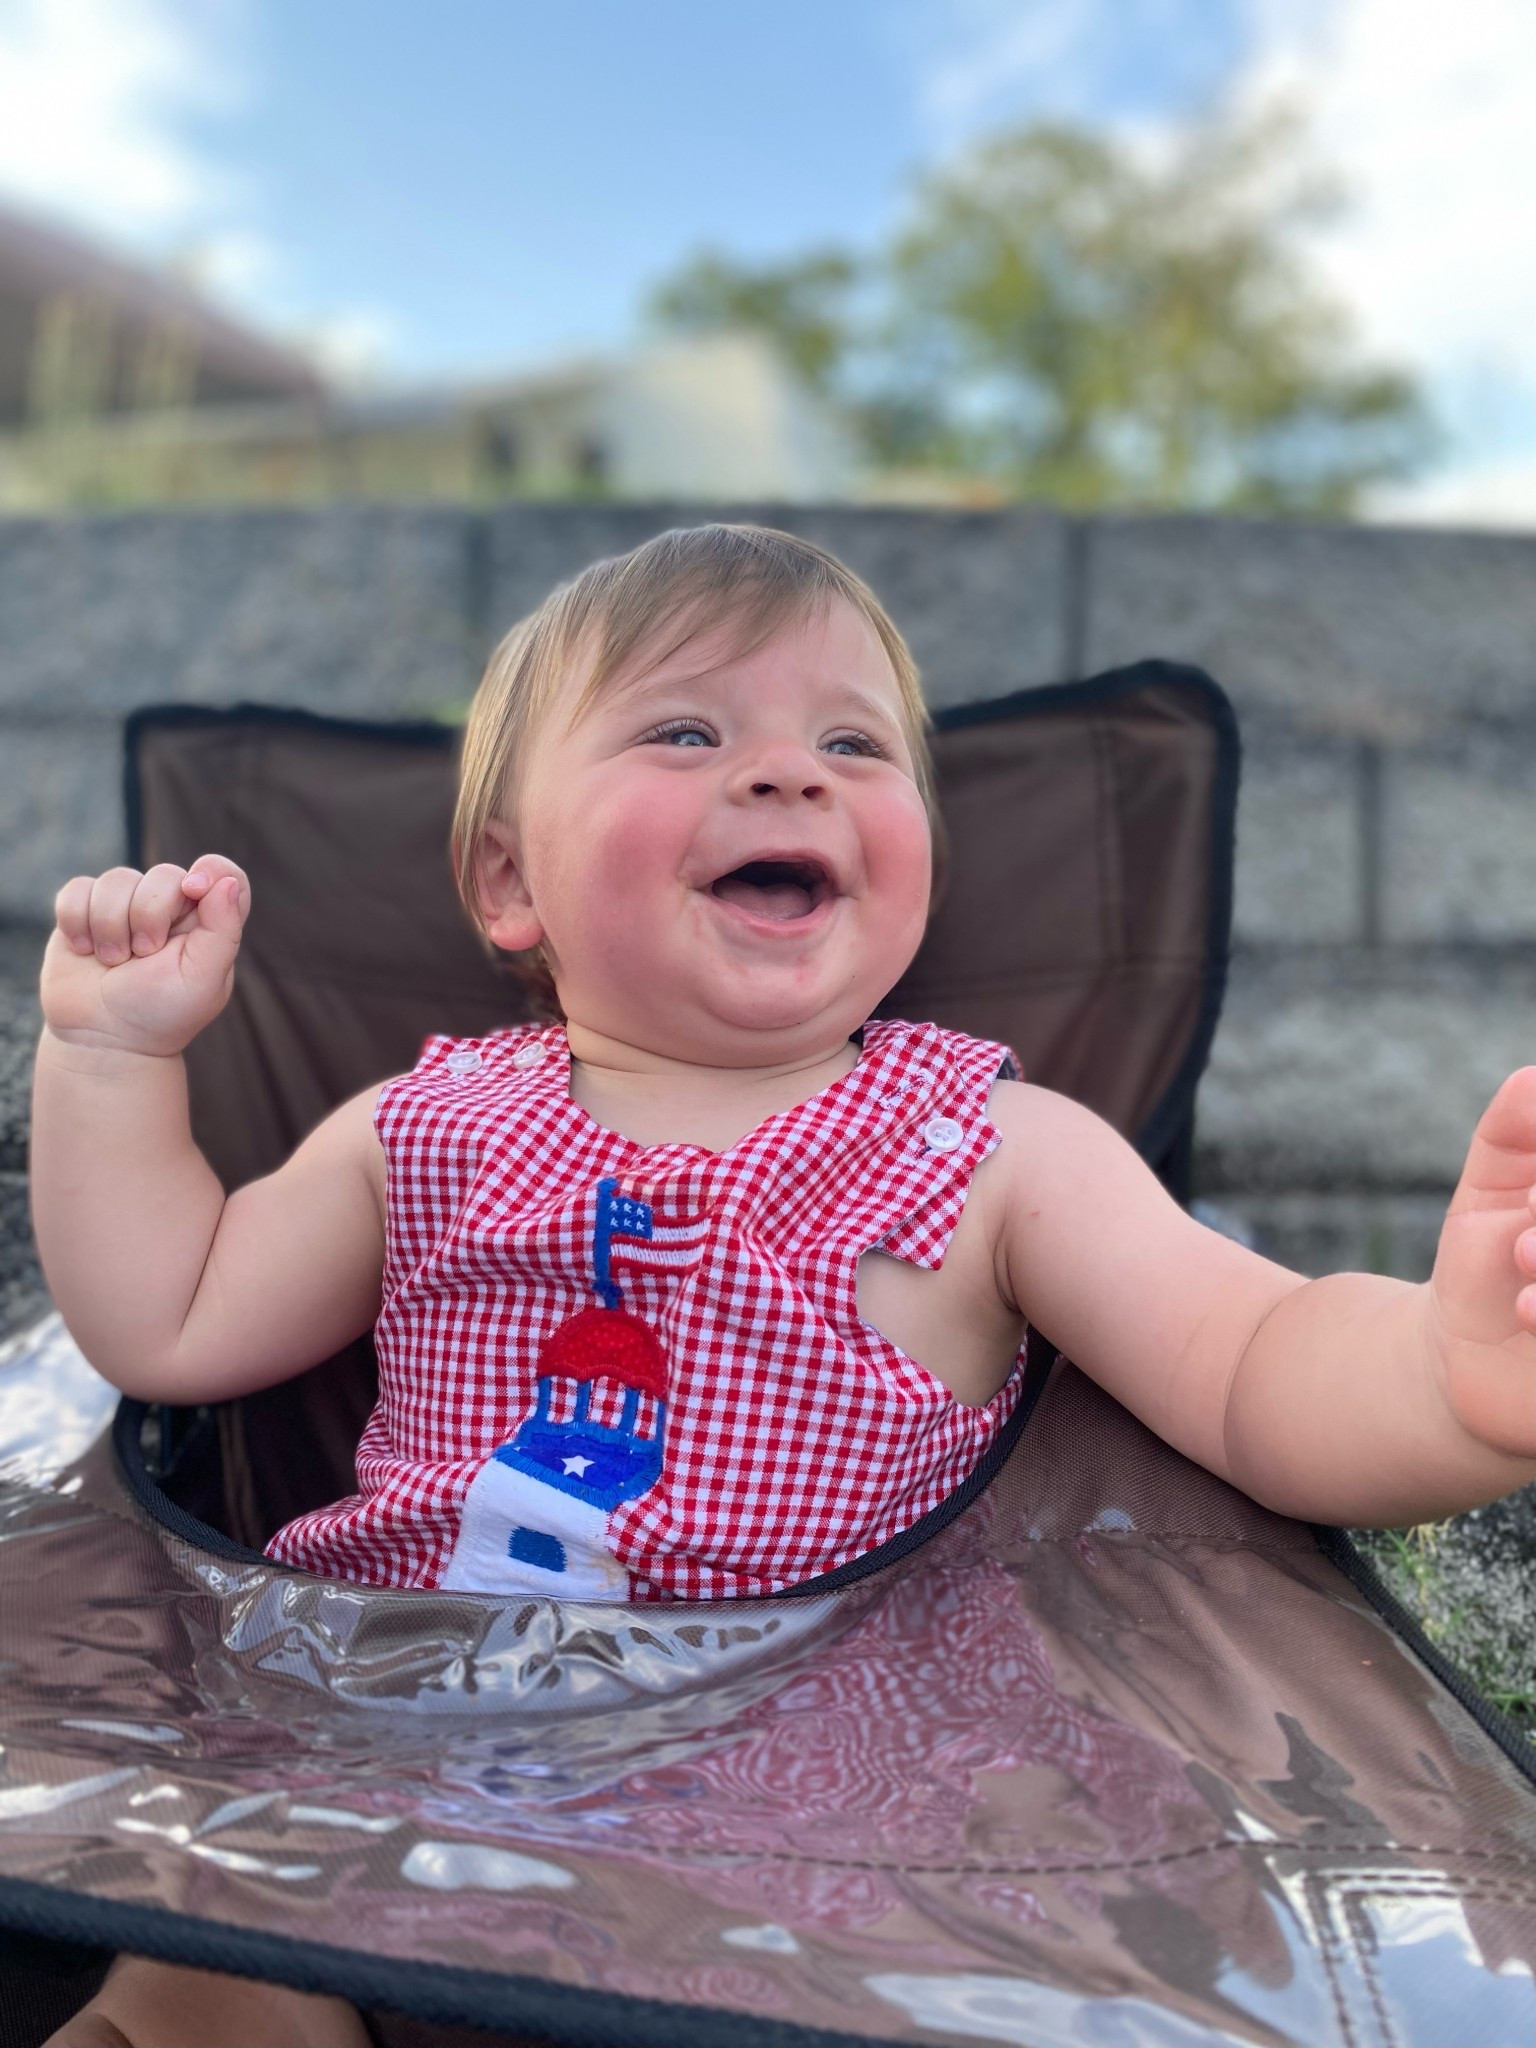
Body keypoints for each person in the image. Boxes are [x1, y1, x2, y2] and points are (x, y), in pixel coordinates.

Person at [30, 524, 1536, 2044]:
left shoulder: (992, 1148)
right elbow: (170, 1318)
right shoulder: (421, 1126)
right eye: (688, 729)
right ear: (509, 880)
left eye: (854, 744)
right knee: (195, 1982)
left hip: (815, 1859)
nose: (789, 773)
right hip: (377, 1773)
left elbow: (1252, 1357)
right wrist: (112, 1058)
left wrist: (1444, 1374)